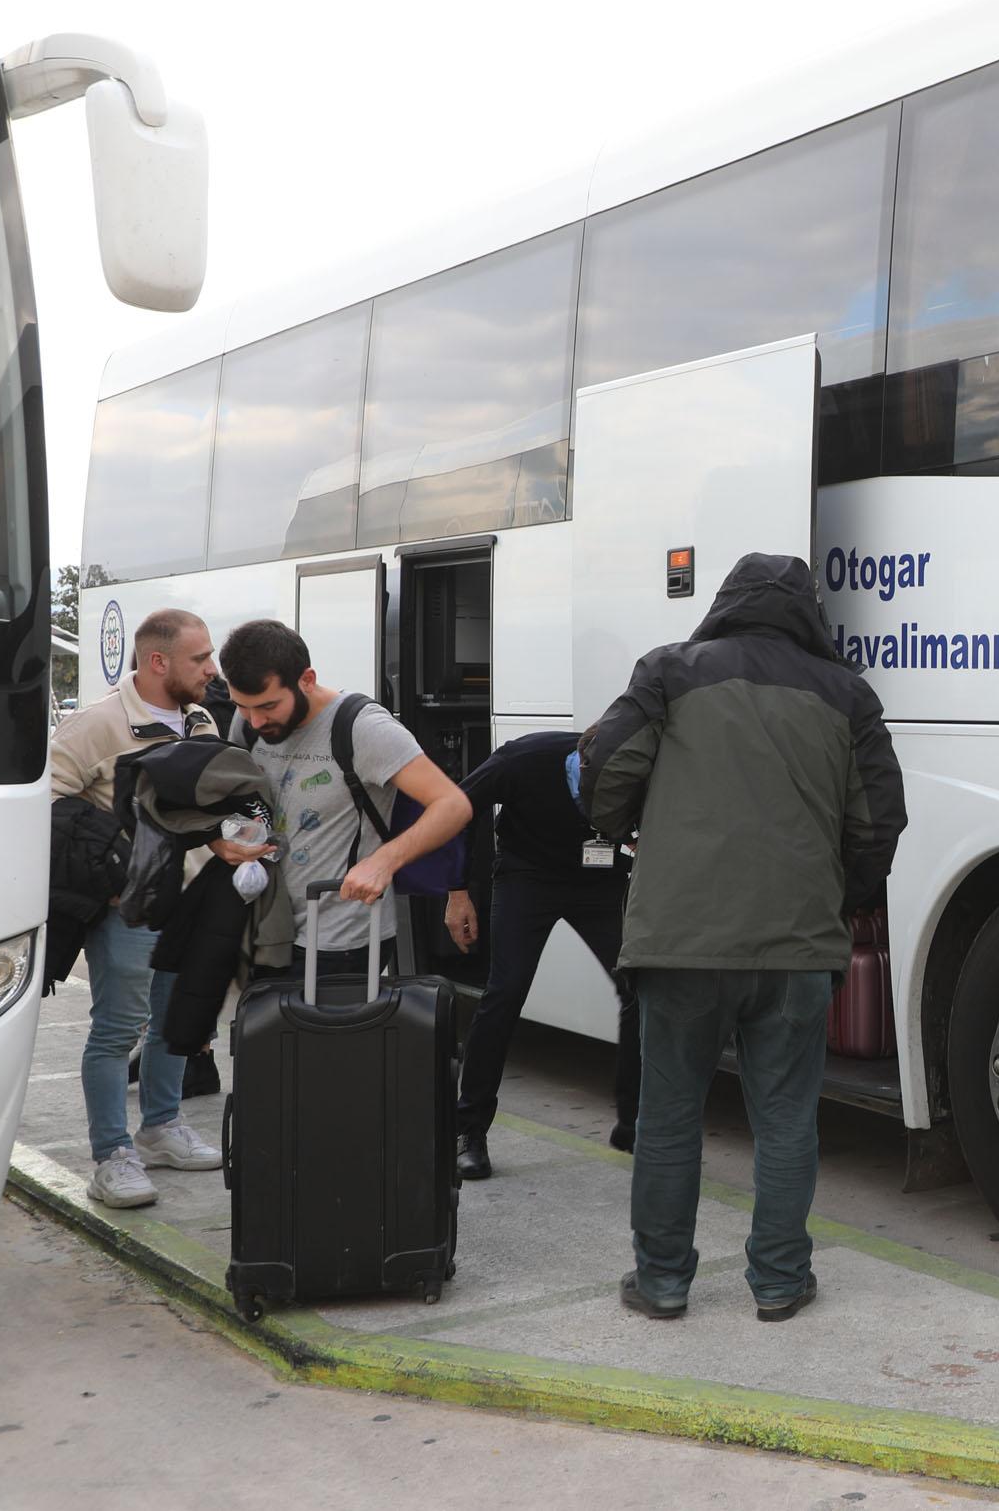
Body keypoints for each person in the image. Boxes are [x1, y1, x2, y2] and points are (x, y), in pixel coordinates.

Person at [581, 553, 904, 1324]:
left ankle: (661, 1280)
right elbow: (877, 822)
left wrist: (624, 831)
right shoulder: (848, 693)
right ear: (808, 612)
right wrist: (840, 898)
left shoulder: (668, 670)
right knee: (787, 1116)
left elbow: (602, 773)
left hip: (679, 940)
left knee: (668, 1116)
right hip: (795, 945)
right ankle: (780, 1280)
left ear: (725, 602)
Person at [47, 608, 224, 1207]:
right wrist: (112, 865)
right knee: (117, 1030)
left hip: (191, 905)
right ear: (158, 662)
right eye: (200, 658)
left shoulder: (201, 717)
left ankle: (161, 1129)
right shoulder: (96, 724)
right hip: (128, 908)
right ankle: (111, 1156)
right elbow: (48, 803)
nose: (212, 668)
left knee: (178, 1024)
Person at [212, 620, 471, 979]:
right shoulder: (247, 726)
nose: (255, 721)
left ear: (307, 679)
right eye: (243, 706)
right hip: (265, 928)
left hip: (339, 941)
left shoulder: (363, 728)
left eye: (268, 706)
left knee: (318, 1038)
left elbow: (453, 804)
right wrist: (225, 840)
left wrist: (385, 861)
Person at [447, 727, 640, 1180]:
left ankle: (635, 1123)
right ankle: (468, 1129)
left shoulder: (639, 767)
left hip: (602, 876)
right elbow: (457, 809)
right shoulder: (524, 759)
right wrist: (458, 893)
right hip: (526, 874)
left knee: (639, 985)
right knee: (506, 991)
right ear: (579, 768)